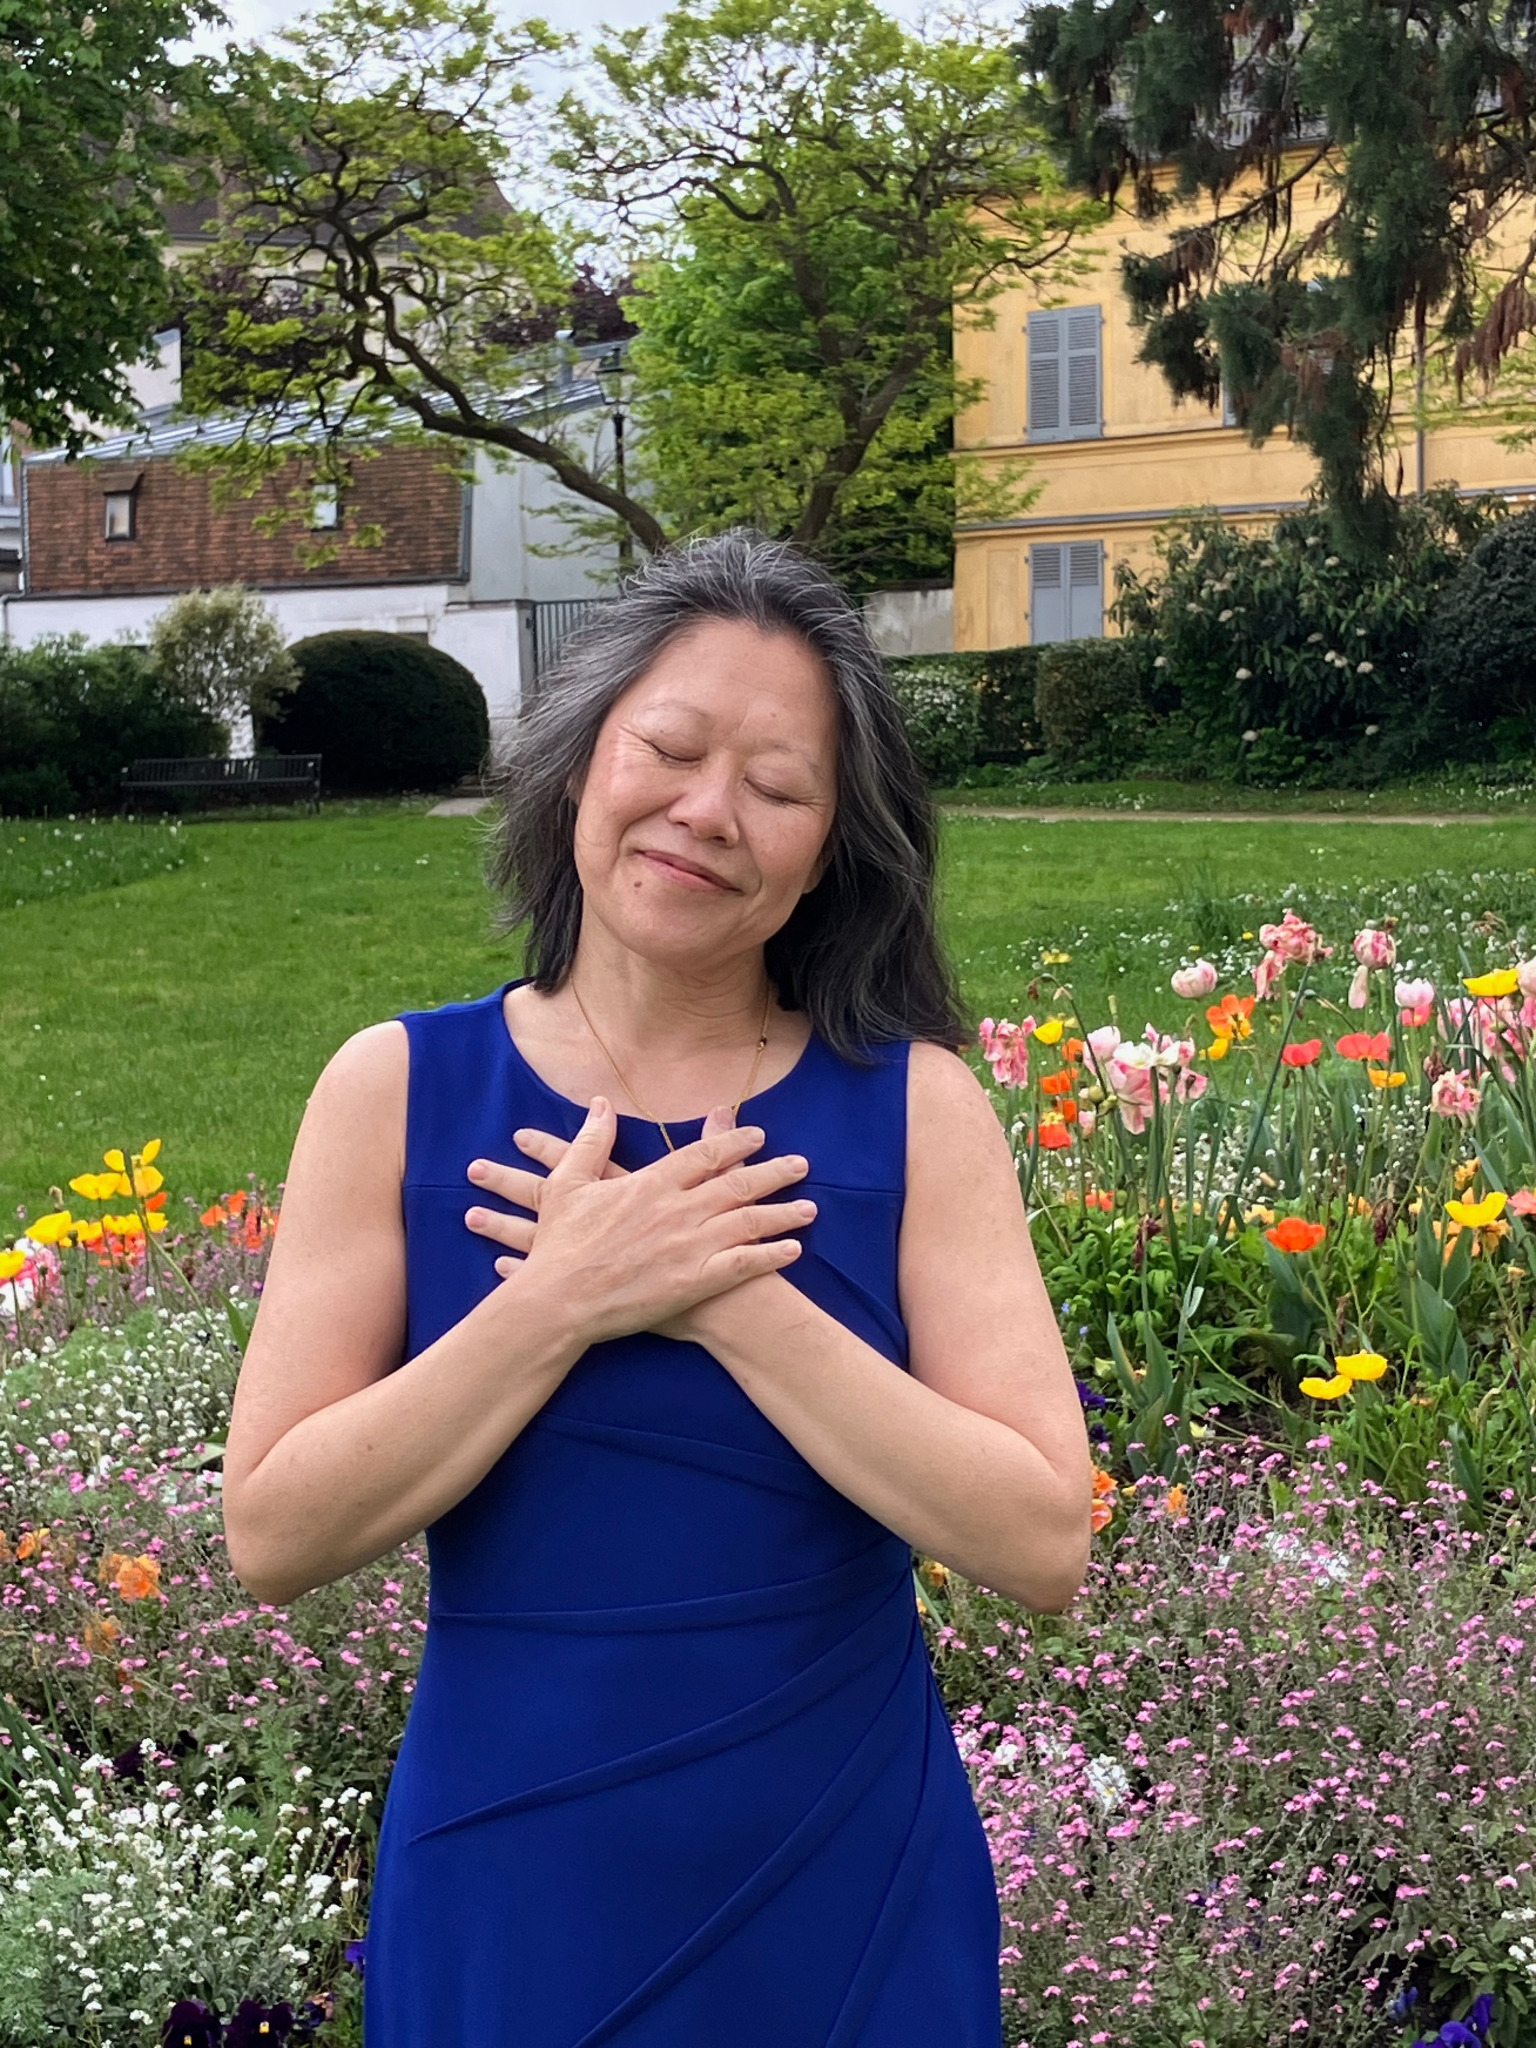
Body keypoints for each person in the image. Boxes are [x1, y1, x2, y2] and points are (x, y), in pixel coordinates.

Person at [222, 529, 1092, 2047]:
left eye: (778, 787)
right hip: (513, 1872)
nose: (708, 813)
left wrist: (725, 1296)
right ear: (576, 765)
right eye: (670, 750)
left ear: (834, 844)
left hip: (844, 1873)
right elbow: (276, 1532)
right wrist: (560, 1296)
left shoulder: (917, 1107)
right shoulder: (396, 1089)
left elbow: (1038, 1538)